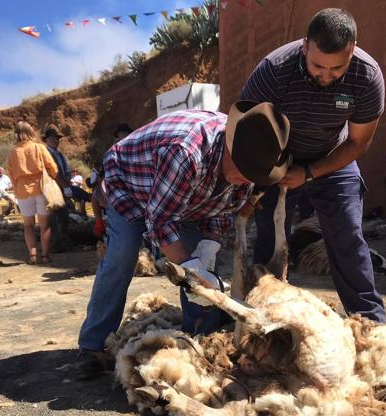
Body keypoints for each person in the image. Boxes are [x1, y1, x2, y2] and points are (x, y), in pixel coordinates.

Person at [75, 101, 291, 378]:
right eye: (241, 170)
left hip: (183, 197)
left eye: (250, 175)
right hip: (130, 183)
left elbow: (222, 210)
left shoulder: (250, 164)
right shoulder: (186, 152)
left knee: (199, 261)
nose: (243, 179)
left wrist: (208, 249)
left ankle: (201, 336)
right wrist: (192, 269)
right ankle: (93, 344)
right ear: (228, 146)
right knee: (123, 255)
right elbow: (160, 222)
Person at [240, 8, 386, 323]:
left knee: (346, 232)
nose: (326, 76)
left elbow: (358, 143)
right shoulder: (273, 71)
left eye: (338, 69)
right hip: (279, 156)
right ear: (305, 46)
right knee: (270, 235)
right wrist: (272, 172)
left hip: (334, 155)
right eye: (318, 66)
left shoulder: (367, 76)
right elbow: (247, 130)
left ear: (353, 48)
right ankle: (263, 315)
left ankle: (370, 321)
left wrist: (309, 173)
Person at [7, 121, 59, 264]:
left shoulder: (13, 152)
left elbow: (11, 174)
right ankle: (45, 256)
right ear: (30, 132)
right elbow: (52, 167)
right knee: (44, 225)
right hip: (41, 188)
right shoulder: (39, 147)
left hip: (22, 190)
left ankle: (32, 256)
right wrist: (52, 177)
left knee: (28, 225)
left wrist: (16, 187)